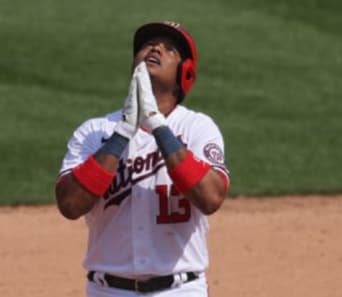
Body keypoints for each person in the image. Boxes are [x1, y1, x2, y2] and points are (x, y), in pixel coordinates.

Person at [55, 21, 230, 297]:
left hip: (180, 290)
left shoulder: (197, 128)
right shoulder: (95, 131)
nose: (156, 48)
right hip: (108, 291)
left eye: (169, 48)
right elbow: (69, 204)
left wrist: (158, 128)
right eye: (148, 45)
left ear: (185, 73)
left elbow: (210, 198)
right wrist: (122, 133)